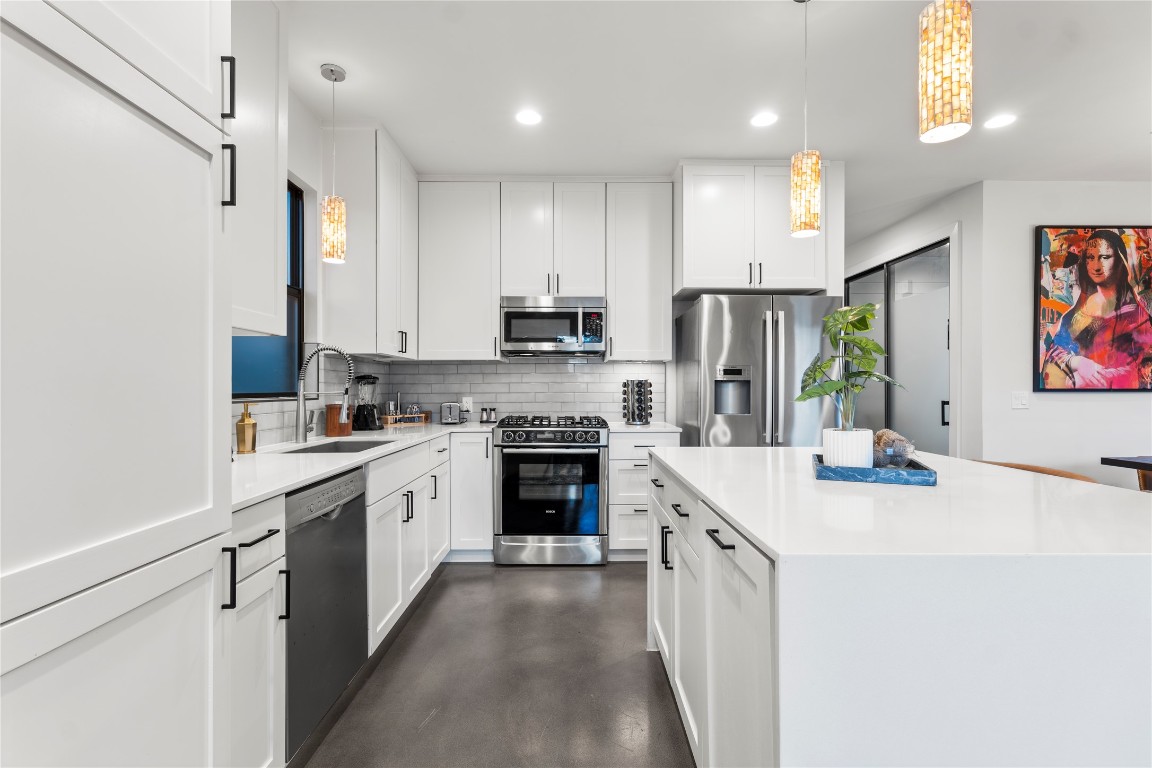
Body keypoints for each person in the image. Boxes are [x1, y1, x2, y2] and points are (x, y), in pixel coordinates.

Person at [1041, 229, 1152, 389]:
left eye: (1105, 257)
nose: (1096, 266)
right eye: (1090, 258)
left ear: (1120, 260)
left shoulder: (1136, 313)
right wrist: (1078, 362)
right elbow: (1055, 349)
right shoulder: (1081, 307)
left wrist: (1081, 379)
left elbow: (1136, 365)